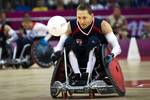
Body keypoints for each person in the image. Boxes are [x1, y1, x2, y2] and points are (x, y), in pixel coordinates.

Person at [41, 3, 121, 85]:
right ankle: (77, 75)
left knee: (93, 41)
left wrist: (111, 55)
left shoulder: (103, 25)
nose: (82, 21)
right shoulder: (70, 26)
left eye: (84, 18)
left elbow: (117, 47)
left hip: (97, 61)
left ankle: (87, 76)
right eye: (79, 17)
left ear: (92, 16)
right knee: (68, 41)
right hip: (77, 58)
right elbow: (59, 46)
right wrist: (55, 54)